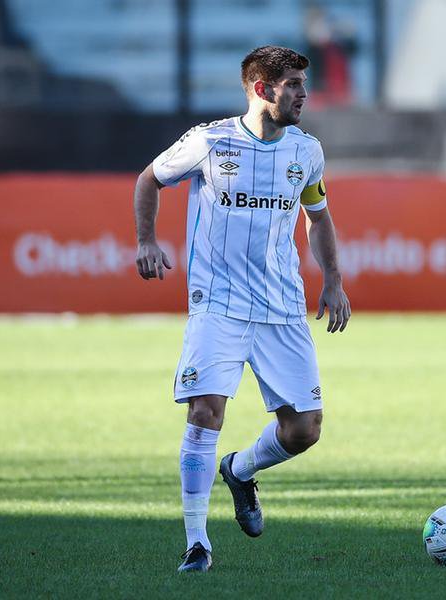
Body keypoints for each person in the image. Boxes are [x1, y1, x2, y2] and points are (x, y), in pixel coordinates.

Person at [131, 45, 351, 573]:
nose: (303, 93)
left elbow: (317, 217)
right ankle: (197, 543)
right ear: (261, 89)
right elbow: (150, 179)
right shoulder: (210, 142)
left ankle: (241, 470)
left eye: (304, 83)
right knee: (205, 413)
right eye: (293, 84)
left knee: (305, 430)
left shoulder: (307, 152)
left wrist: (334, 282)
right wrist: (145, 239)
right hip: (219, 307)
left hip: (282, 309)